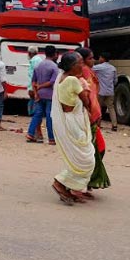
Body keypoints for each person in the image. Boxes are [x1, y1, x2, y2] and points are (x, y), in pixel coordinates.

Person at [50, 52, 95, 205]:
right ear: (71, 66)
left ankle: (70, 187)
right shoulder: (72, 80)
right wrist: (85, 86)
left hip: (69, 121)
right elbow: (87, 101)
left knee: (78, 157)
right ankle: (60, 182)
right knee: (86, 159)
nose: (82, 66)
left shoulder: (61, 78)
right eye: (80, 63)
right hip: (74, 123)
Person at [76, 47, 110, 192]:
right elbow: (87, 97)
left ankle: (87, 181)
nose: (93, 60)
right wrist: (91, 114)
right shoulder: (83, 72)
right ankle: (84, 181)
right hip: (88, 117)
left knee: (96, 150)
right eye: (90, 58)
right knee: (95, 150)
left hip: (93, 115)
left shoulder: (89, 71)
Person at [26, 45, 59, 145]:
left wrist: (36, 92)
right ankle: (51, 138)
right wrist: (41, 86)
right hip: (49, 94)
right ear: (55, 54)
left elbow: (33, 81)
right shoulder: (54, 67)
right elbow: (53, 81)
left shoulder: (38, 65)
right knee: (49, 116)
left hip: (39, 95)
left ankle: (30, 133)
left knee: (37, 114)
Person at [93, 52, 118, 131]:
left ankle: (98, 124)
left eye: (100, 57)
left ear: (103, 58)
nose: (99, 59)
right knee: (111, 108)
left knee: (98, 108)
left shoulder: (98, 67)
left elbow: (89, 69)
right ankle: (114, 125)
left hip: (100, 91)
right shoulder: (113, 68)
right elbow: (115, 81)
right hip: (110, 91)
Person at [27, 46, 43, 117]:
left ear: (29, 53)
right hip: (34, 86)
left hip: (34, 86)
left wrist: (33, 88)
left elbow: (34, 75)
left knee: (35, 104)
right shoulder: (37, 59)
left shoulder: (35, 60)